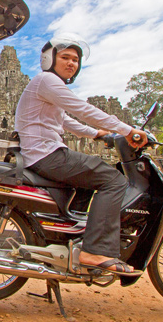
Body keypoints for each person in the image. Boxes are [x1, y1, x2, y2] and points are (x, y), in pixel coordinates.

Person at [14, 32, 147, 276]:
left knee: (88, 180)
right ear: (49, 59)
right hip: (46, 154)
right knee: (113, 180)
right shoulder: (47, 80)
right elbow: (81, 109)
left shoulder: (49, 86)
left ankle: (69, 236)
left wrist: (97, 134)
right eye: (65, 57)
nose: (71, 63)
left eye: (75, 59)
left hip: (44, 153)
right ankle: (94, 251)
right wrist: (127, 130)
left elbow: (64, 120)